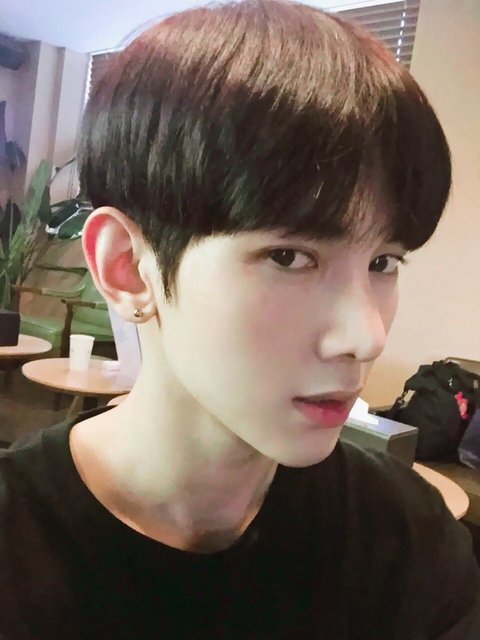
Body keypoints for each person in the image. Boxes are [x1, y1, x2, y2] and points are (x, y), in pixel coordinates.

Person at [1, 1, 479, 637]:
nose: (366, 337)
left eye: (383, 262)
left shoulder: (406, 540)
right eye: (289, 257)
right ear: (129, 268)